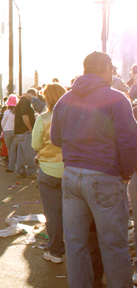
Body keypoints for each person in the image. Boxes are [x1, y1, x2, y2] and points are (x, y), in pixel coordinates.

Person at [51, 51, 137, 287]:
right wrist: (126, 174)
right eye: (112, 70)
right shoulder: (117, 99)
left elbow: (56, 138)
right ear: (105, 69)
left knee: (76, 243)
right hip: (105, 177)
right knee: (113, 244)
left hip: (71, 177)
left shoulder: (65, 99)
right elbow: (130, 143)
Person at [31, 83, 67, 264]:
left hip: (48, 169)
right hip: (70, 170)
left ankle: (55, 251)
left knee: (53, 214)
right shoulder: (73, 116)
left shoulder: (43, 118)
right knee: (73, 214)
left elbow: (35, 145)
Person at [14, 88, 38, 179]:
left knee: (21, 153)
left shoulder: (21, 102)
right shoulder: (26, 103)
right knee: (29, 153)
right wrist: (30, 129)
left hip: (19, 132)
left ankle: (20, 172)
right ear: (31, 94)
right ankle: (31, 172)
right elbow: (25, 116)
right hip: (25, 131)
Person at [1, 94, 18, 173]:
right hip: (16, 131)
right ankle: (14, 166)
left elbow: (3, 122)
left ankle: (11, 167)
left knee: (9, 149)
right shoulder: (18, 112)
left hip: (7, 131)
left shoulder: (7, 112)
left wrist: (3, 129)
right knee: (13, 149)